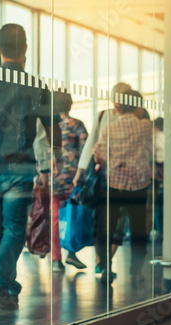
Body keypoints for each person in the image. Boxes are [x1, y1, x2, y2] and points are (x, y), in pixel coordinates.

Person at [0, 23, 61, 309]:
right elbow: (53, 129)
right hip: (19, 171)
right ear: (25, 49)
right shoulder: (36, 85)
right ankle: (0, 284)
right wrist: (54, 156)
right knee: (14, 229)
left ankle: (0, 284)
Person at [93, 89, 152, 286]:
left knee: (107, 228)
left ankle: (106, 268)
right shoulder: (145, 126)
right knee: (138, 230)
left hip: (114, 185)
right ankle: (135, 272)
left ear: (119, 106)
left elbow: (98, 155)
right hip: (138, 186)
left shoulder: (110, 128)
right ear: (137, 106)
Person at [73, 82, 132, 274]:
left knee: (119, 224)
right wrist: (80, 173)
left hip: (126, 179)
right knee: (102, 221)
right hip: (104, 178)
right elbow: (92, 144)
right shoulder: (104, 116)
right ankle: (103, 262)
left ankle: (106, 262)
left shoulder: (135, 119)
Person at [34, 92, 88, 271]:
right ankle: (71, 252)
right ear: (70, 105)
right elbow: (86, 149)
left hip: (52, 178)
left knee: (55, 219)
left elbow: (39, 150)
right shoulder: (77, 124)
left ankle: (56, 259)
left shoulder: (46, 126)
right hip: (73, 179)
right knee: (72, 216)